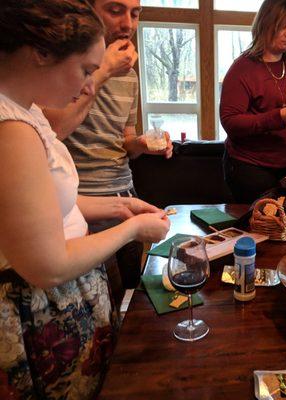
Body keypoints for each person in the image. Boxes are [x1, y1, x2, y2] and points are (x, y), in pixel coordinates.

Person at [0, 1, 170, 398]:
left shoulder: (26, 111)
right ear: (41, 54)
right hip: (34, 311)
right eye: (86, 71)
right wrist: (132, 229)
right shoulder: (11, 131)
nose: (88, 86)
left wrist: (118, 206)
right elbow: (50, 266)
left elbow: (49, 205)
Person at [43, 0, 172, 292]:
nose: (127, 24)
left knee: (128, 293)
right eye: (115, 11)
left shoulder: (131, 77)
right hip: (80, 203)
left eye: (135, 14)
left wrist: (141, 144)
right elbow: (52, 132)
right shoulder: (65, 70)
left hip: (124, 191)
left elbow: (125, 141)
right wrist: (101, 71)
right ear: (88, 11)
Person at [220, 0, 286, 204]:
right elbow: (230, 122)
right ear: (265, 24)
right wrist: (277, 117)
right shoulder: (241, 68)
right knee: (261, 229)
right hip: (250, 167)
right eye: (282, 26)